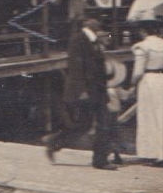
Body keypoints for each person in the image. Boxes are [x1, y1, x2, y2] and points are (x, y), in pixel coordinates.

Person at [47, 16, 120, 169]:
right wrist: (83, 91)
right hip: (86, 91)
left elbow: (96, 67)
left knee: (101, 123)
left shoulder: (95, 41)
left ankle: (100, 160)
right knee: (85, 125)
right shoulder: (78, 40)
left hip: (98, 90)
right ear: (89, 25)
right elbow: (76, 69)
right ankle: (55, 143)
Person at [130, 18, 163, 165]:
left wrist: (132, 84)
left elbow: (138, 71)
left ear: (143, 31)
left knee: (151, 116)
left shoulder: (142, 47)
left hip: (148, 81)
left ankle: (154, 153)